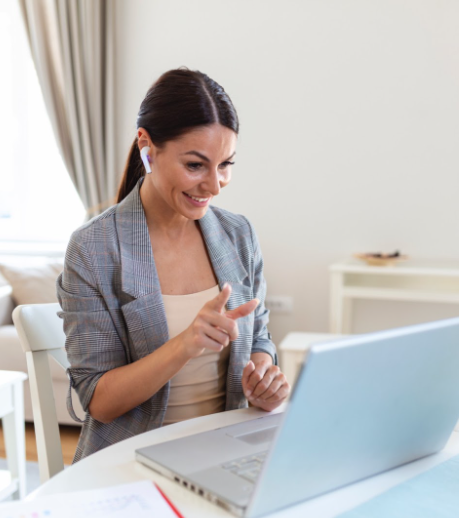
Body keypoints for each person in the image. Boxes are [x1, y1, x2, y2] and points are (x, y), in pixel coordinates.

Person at [57, 68, 290, 462]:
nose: (214, 185)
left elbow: (260, 337)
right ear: (147, 148)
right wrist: (185, 344)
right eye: (196, 165)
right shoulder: (93, 248)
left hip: (228, 451)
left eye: (226, 165)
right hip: (131, 460)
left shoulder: (238, 235)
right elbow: (98, 400)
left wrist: (263, 374)